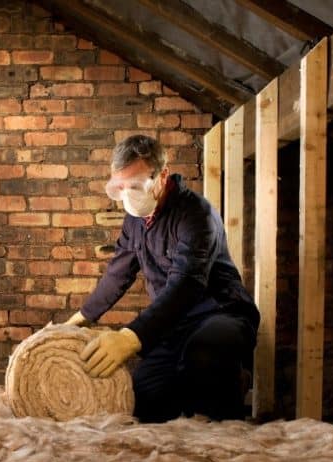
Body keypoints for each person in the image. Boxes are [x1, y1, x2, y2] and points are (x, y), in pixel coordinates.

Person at [63, 134, 260, 423]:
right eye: (121, 188)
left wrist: (130, 338)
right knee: (144, 402)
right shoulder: (134, 219)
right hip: (173, 326)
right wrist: (79, 319)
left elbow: (186, 286)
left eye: (136, 185)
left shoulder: (196, 215)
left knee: (204, 356)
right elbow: (119, 272)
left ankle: (231, 382)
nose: (128, 196)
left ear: (162, 175)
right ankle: (193, 387)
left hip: (221, 314)